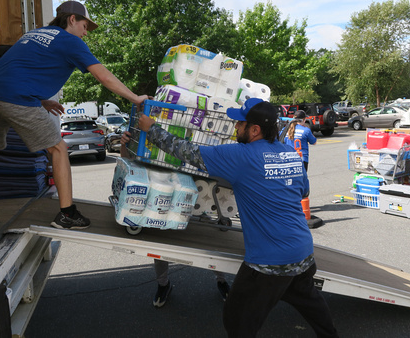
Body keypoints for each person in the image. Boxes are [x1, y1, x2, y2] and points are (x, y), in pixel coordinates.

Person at [137, 98, 338, 337]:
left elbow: (186, 151)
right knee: (310, 303)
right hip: (303, 253)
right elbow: (303, 191)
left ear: (254, 130)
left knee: (236, 321)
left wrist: (151, 129)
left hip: (268, 264)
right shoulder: (289, 152)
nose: (235, 128)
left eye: (239, 124)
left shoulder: (241, 155)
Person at [0, 0, 148, 228]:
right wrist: (136, 98)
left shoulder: (34, 34)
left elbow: (19, 69)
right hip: (16, 99)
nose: (85, 33)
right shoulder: (69, 41)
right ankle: (67, 214)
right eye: (85, 27)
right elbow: (103, 76)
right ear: (72, 20)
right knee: (58, 148)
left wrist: (42, 100)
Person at [119, 131, 231, 307]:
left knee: (210, 241)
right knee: (161, 244)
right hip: (163, 194)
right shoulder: (140, 131)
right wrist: (125, 144)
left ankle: (221, 280)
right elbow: (130, 163)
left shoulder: (183, 132)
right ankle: (163, 285)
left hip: (192, 193)